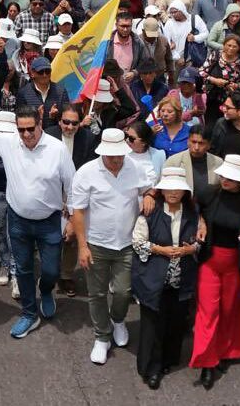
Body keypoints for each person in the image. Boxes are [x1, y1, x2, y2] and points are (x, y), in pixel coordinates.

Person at [0, 105, 76, 339]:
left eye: (30, 129)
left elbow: (72, 186)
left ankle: (45, 291)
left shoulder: (57, 149)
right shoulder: (9, 144)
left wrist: (71, 220)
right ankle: (29, 313)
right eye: (21, 130)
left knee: (51, 270)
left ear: (40, 125)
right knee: (24, 268)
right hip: (18, 221)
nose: (26, 135)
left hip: (50, 222)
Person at [70, 129, 155, 365]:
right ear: (103, 153)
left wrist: (148, 194)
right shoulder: (86, 172)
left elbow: (149, 187)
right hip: (96, 243)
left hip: (127, 243)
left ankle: (118, 320)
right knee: (96, 293)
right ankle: (101, 336)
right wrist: (82, 246)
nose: (117, 160)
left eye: (120, 155)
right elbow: (77, 211)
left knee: (123, 291)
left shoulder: (134, 168)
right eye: (112, 156)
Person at [191, 156, 240, 389]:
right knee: (208, 311)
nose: (225, 179)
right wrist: (201, 221)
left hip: (235, 266)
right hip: (209, 262)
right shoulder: (209, 193)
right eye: (224, 175)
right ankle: (207, 364)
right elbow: (195, 209)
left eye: (231, 177)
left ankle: (226, 352)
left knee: (229, 311)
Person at [131, 169, 200, 389]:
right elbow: (138, 242)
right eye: (168, 188)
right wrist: (161, 249)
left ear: (184, 192)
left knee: (175, 320)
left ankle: (169, 360)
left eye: (177, 188)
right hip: (154, 277)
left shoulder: (191, 212)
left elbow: (199, 242)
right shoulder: (150, 211)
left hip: (181, 276)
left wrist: (191, 250)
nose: (173, 192)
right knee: (153, 322)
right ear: (161, 190)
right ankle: (152, 367)